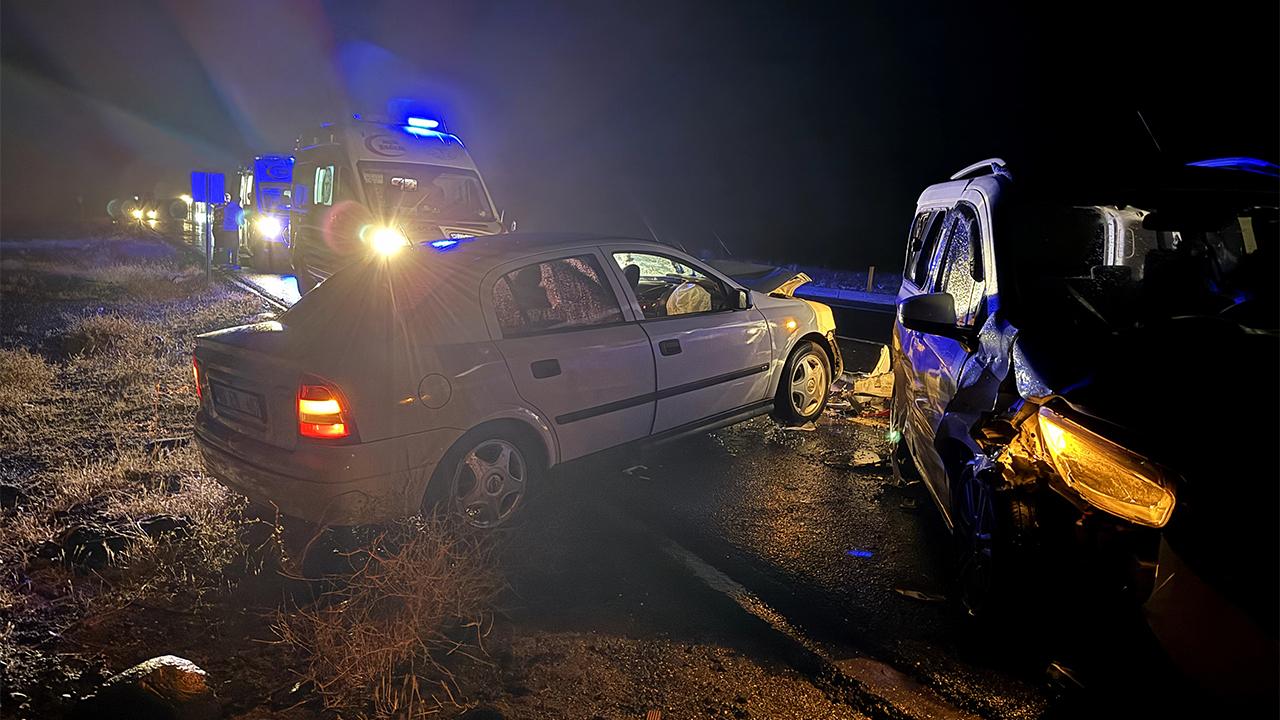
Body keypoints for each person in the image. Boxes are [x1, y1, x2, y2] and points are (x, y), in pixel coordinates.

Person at [214, 192, 242, 268]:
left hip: (226, 230)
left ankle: (226, 262)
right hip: (234, 230)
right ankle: (234, 263)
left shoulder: (225, 208)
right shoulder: (239, 209)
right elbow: (240, 221)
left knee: (226, 246)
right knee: (234, 247)